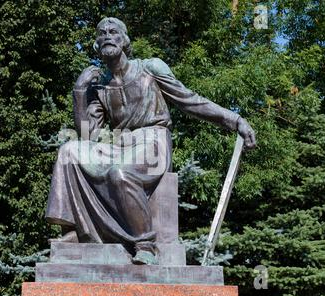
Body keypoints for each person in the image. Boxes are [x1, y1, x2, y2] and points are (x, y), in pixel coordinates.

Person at [45, 17, 256, 265]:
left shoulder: (150, 68)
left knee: (120, 174)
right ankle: (75, 231)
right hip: (119, 144)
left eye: (113, 32)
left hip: (153, 142)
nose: (107, 36)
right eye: (101, 33)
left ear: (125, 40)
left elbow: (189, 100)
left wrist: (235, 120)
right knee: (69, 151)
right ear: (96, 45)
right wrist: (79, 92)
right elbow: (87, 136)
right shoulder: (99, 85)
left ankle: (145, 245)